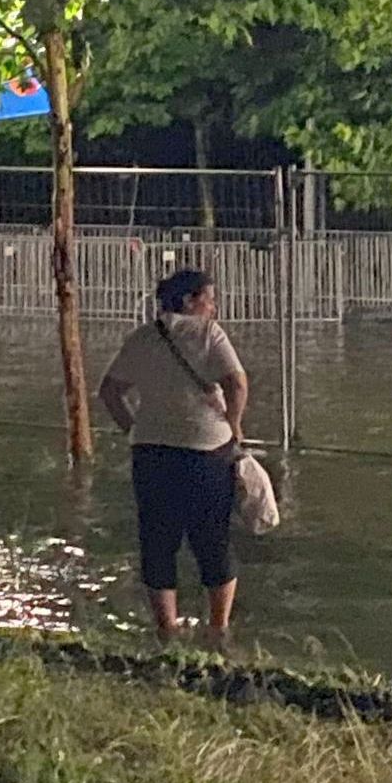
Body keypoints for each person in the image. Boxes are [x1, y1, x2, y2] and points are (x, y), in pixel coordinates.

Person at [98, 269, 249, 646]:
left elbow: (110, 392)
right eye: (209, 299)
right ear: (188, 301)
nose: (214, 307)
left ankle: (166, 629)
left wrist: (133, 429)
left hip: (151, 453)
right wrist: (234, 424)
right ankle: (217, 629)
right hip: (206, 453)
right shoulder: (208, 333)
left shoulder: (142, 337)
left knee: (158, 541)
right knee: (212, 539)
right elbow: (236, 382)